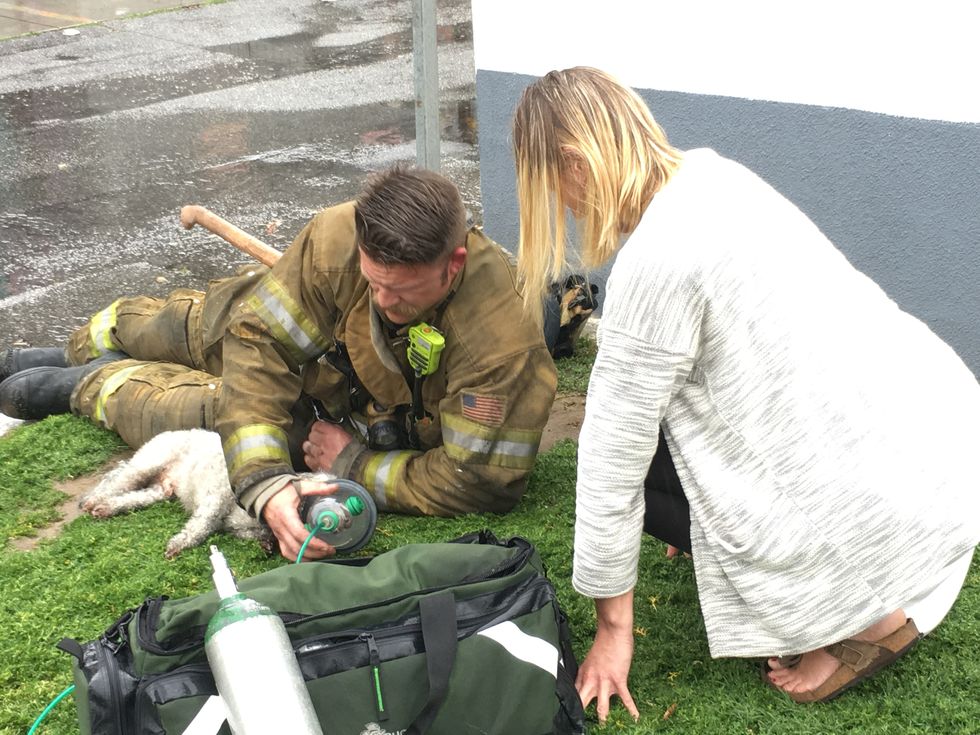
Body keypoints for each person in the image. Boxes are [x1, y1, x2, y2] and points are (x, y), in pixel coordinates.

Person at [510, 66, 979, 717]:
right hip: (926, 442)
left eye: (553, 186)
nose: (564, 205)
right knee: (656, 438)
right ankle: (787, 555)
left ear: (574, 163)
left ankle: (870, 621)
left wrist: (614, 634)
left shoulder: (656, 264)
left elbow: (610, 461)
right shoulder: (712, 175)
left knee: (618, 455)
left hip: (862, 510)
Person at [0, 165, 560, 561]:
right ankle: (86, 344)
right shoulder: (338, 238)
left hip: (342, 425)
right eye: (373, 283)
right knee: (196, 324)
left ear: (453, 262)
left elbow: (475, 483)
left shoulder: (500, 345)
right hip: (317, 365)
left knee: (194, 411)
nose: (385, 303)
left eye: (403, 292)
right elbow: (258, 341)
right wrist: (266, 486)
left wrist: (352, 466)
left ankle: (90, 381)